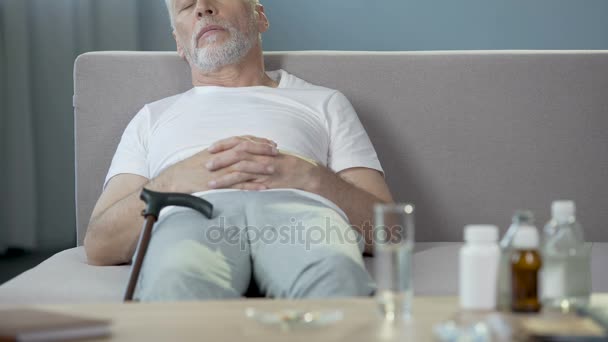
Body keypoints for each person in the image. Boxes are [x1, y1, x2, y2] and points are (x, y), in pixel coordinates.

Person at [83, 0, 394, 301]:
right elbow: (99, 244)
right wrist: (173, 181)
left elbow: (392, 231)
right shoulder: (151, 117)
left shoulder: (325, 102)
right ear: (179, 42)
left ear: (260, 17)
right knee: (177, 280)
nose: (203, 6)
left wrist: (312, 178)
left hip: (302, 213)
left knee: (335, 278)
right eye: (187, 5)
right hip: (188, 215)